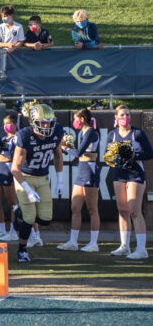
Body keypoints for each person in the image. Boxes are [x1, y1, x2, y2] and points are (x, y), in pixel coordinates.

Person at [11, 103, 64, 263]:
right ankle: (22, 250)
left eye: (49, 122)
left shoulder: (57, 132)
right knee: (29, 217)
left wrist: (60, 180)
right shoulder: (25, 136)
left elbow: (58, 155)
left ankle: (18, 213)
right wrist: (27, 189)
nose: (47, 126)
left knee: (45, 219)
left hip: (43, 177)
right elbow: (15, 168)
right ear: (34, 122)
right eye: (43, 122)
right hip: (24, 177)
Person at [105, 105, 152, 259]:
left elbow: (150, 153)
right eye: (122, 115)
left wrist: (132, 156)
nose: (125, 117)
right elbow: (108, 156)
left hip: (135, 174)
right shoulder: (112, 135)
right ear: (116, 118)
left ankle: (141, 249)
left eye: (127, 114)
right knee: (122, 210)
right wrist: (114, 158)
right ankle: (124, 246)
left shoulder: (137, 133)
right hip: (119, 174)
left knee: (134, 210)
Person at [57, 108, 100, 252]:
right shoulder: (83, 132)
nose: (74, 122)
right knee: (75, 208)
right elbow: (81, 154)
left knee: (92, 209)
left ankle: (94, 243)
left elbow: (78, 153)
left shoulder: (91, 133)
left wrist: (63, 147)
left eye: (75, 119)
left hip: (90, 172)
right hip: (81, 171)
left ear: (82, 119)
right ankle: (73, 241)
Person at [0, 114, 20, 241]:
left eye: (9, 123)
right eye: (5, 123)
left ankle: (13, 231)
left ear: (15, 124)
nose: (6, 126)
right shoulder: (3, 138)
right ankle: (2, 230)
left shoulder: (17, 138)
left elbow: (13, 154)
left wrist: (1, 148)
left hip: (9, 171)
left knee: (13, 203)